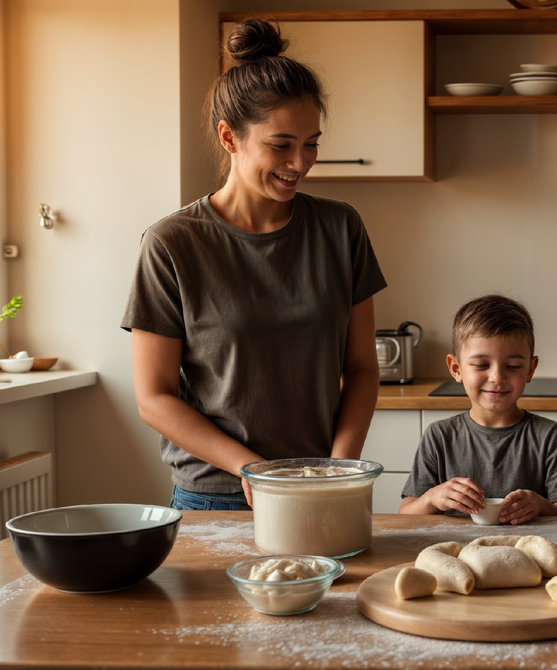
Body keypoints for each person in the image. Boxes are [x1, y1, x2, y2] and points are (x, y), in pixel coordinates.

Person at [122, 19, 386, 511]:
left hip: (322, 485)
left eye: (312, 143)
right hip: (219, 494)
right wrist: (255, 471)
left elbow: (361, 368)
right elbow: (153, 398)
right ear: (229, 137)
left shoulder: (340, 228)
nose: (301, 162)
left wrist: (338, 470)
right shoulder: (172, 243)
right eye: (281, 145)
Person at [399, 295, 557, 523]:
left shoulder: (549, 436)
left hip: (526, 552)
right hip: (454, 551)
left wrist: (540, 505)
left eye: (513, 366)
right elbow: (405, 513)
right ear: (456, 368)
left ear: (530, 369)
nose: (497, 377)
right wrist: (431, 498)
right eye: (481, 365)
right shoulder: (439, 436)